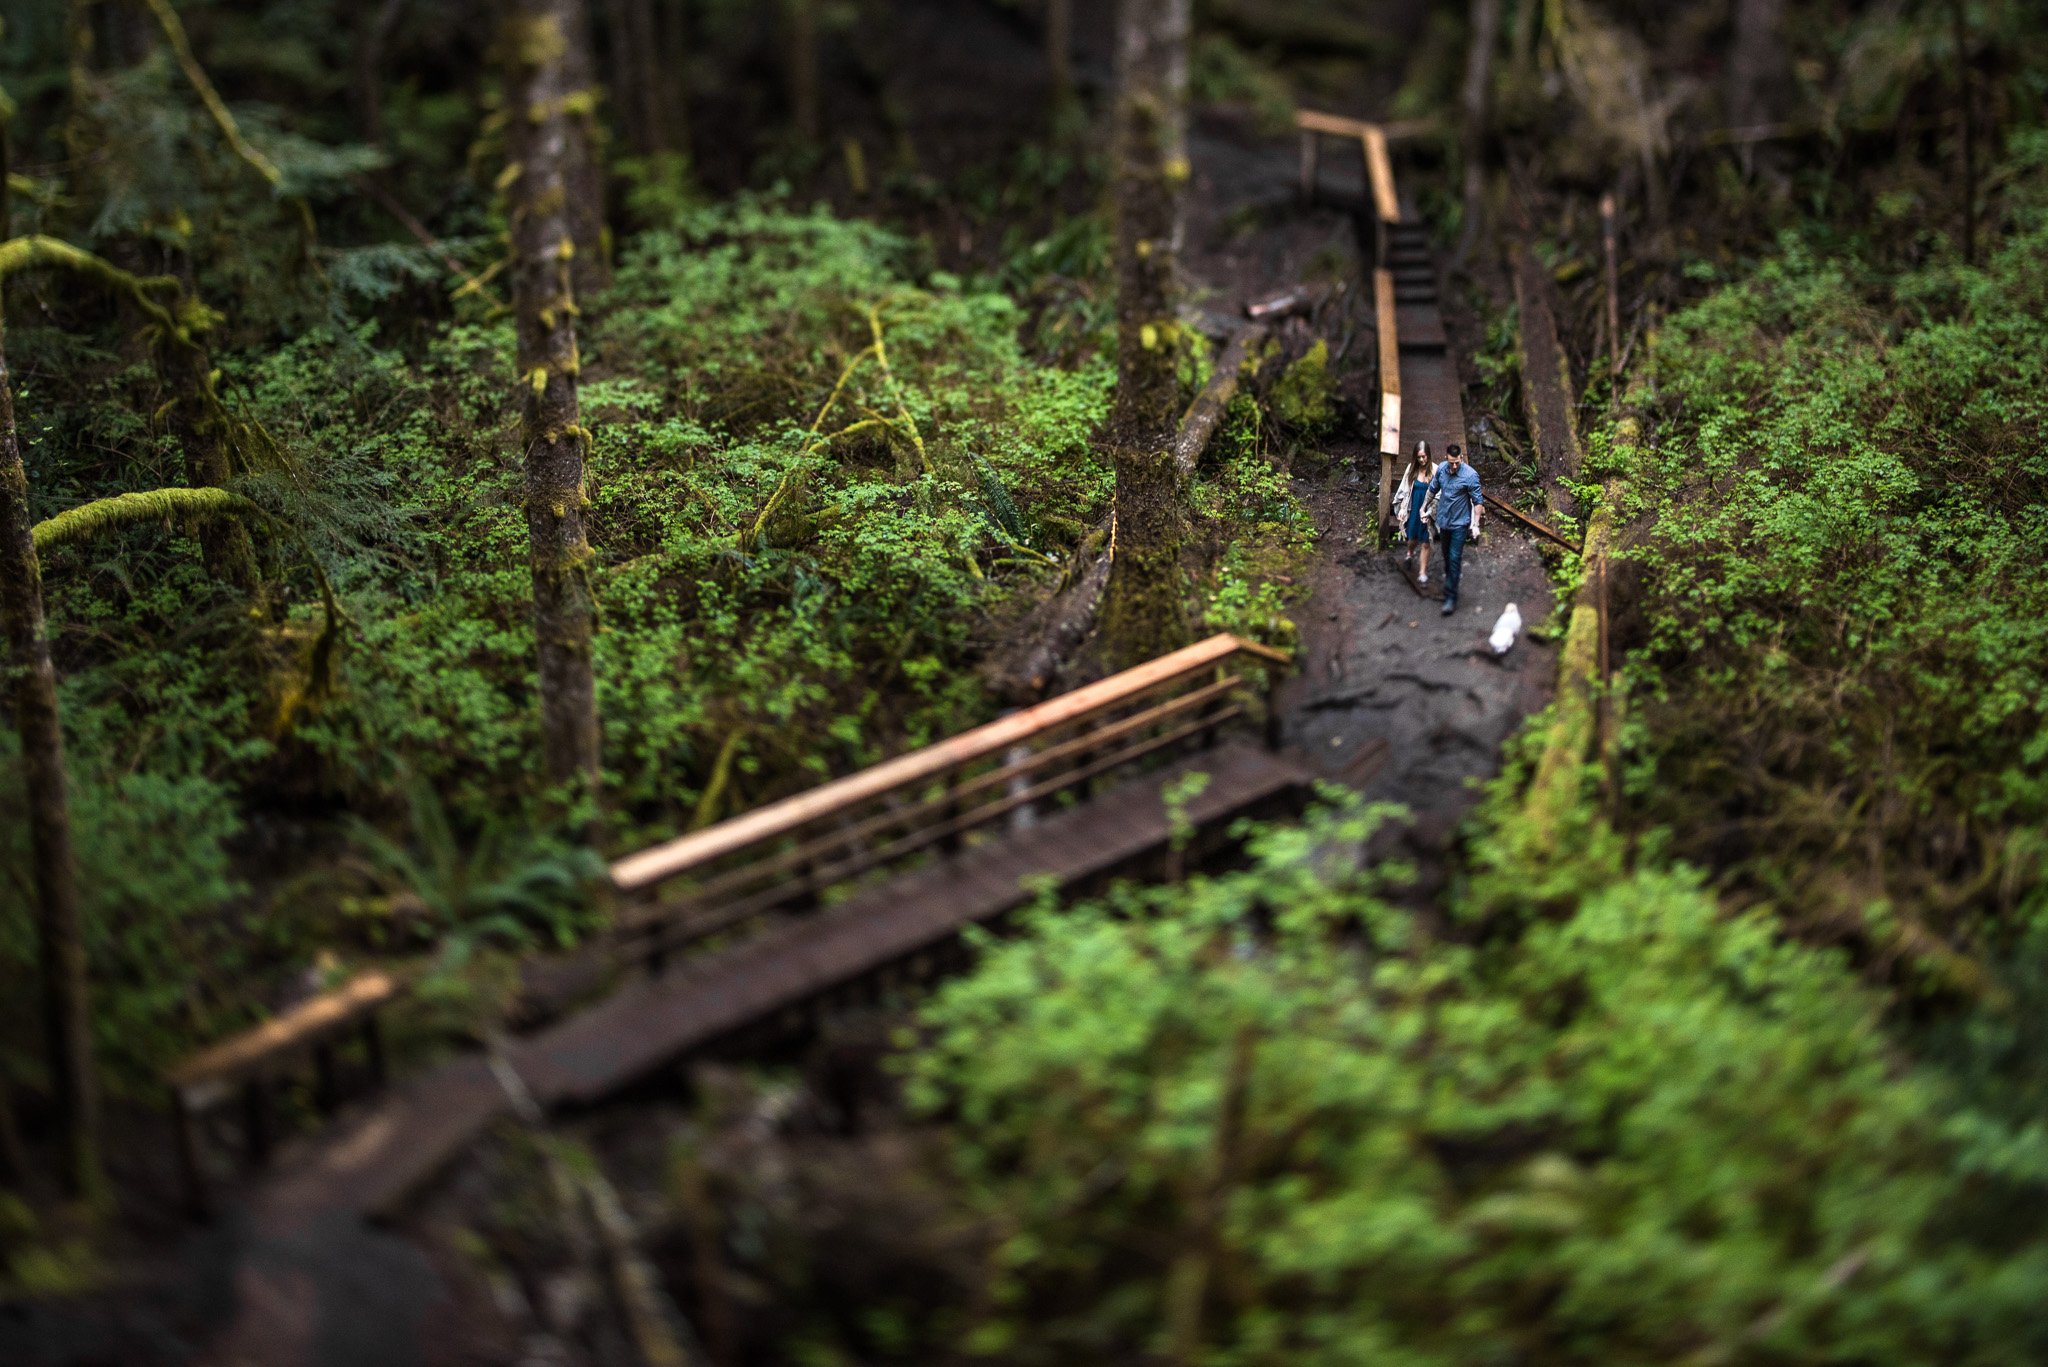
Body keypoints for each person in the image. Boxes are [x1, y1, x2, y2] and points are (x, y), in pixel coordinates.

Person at [1424, 442, 1483, 615]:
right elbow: (1432, 489)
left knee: (1455, 556)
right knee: (1447, 557)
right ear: (1446, 459)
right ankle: (1452, 578)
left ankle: (1451, 597)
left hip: (1460, 524)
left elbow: (1477, 501)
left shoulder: (1470, 475)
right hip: (1444, 522)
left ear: (1461, 458)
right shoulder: (1442, 469)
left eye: (1457, 462)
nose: (1454, 466)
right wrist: (1423, 506)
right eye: (1451, 463)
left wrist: (1475, 524)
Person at [1391, 440, 1436, 584]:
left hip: (1427, 511)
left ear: (1428, 455)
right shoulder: (1411, 469)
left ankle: (1422, 572)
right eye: (1419, 457)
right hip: (1414, 509)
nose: (1422, 460)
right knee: (1412, 540)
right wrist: (1402, 509)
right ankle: (1410, 553)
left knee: (1426, 543)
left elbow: (1440, 493)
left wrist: (1430, 512)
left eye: (1424, 457)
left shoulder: (1435, 470)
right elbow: (1405, 490)